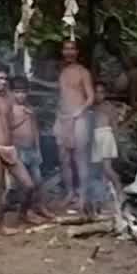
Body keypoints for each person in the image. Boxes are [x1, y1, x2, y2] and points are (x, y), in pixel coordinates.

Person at [0, 68, 41, 233]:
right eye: (0, 78)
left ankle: (23, 214)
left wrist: (27, 115)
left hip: (10, 148)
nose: (4, 82)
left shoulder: (9, 98)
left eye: (5, 79)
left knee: (28, 185)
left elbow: (14, 119)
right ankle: (0, 226)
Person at [55, 39, 95, 213]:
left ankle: (83, 196)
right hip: (62, 118)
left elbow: (91, 97)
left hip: (79, 118)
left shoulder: (83, 72)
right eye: (66, 49)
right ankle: (70, 193)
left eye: (72, 49)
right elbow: (62, 95)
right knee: (64, 160)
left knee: (80, 159)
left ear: (77, 52)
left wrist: (80, 111)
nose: (69, 52)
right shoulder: (62, 72)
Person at [9, 77, 54, 220]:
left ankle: (40, 206)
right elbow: (8, 129)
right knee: (25, 184)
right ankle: (25, 211)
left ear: (27, 92)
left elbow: (35, 129)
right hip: (18, 150)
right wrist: (23, 117)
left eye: (23, 92)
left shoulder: (30, 108)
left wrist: (38, 148)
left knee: (38, 182)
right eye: (16, 92)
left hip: (32, 150)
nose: (20, 95)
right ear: (11, 92)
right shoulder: (9, 109)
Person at [90, 82, 125, 213]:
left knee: (107, 168)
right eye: (96, 92)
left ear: (105, 94)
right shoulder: (91, 107)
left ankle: (120, 190)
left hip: (105, 136)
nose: (98, 95)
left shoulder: (109, 107)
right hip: (95, 137)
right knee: (99, 170)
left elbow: (115, 126)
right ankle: (104, 198)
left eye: (101, 92)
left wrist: (115, 142)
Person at [92, 16, 137, 105]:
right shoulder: (99, 47)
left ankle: (133, 102)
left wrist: (120, 51)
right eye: (111, 31)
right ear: (106, 32)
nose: (113, 34)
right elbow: (94, 67)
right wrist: (97, 83)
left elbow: (130, 67)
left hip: (117, 82)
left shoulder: (122, 46)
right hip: (103, 83)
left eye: (116, 31)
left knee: (136, 73)